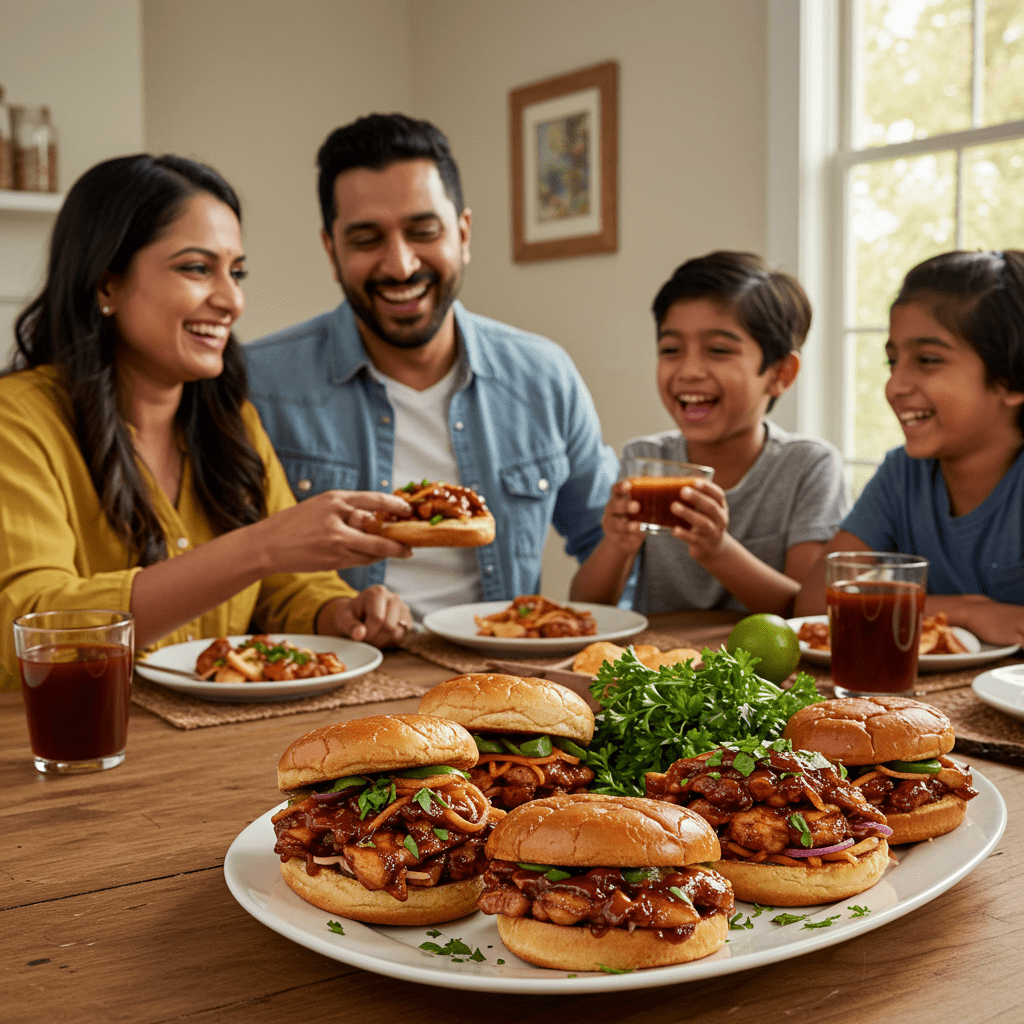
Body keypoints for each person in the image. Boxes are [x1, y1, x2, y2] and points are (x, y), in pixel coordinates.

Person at [0, 153, 416, 691]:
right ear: (106, 284)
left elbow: (287, 587)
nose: (232, 300)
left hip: (223, 736)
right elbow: (32, 623)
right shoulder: (18, 420)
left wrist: (339, 612)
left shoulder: (233, 422)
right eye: (197, 268)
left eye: (236, 272)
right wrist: (257, 547)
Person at [244, 114, 618, 620]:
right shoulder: (257, 384)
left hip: (498, 661)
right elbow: (234, 570)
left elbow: (604, 538)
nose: (400, 265)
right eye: (366, 240)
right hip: (336, 662)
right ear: (332, 251)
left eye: (423, 232)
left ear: (463, 234)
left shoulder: (544, 376)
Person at [571, 251, 847, 616]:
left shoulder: (808, 466)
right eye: (671, 349)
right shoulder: (647, 458)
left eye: (718, 350)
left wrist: (719, 551)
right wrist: (617, 544)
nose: (689, 371)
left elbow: (806, 614)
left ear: (781, 374)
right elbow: (586, 610)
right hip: (661, 652)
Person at [795, 250, 1024, 646]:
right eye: (892, 362)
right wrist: (966, 609)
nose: (894, 386)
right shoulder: (902, 475)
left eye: (928, 360)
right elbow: (814, 605)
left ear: (1012, 380)